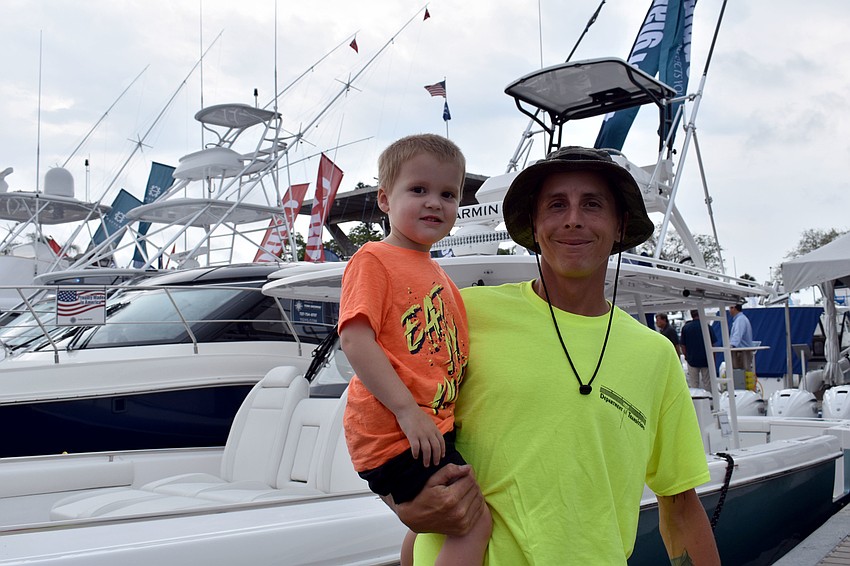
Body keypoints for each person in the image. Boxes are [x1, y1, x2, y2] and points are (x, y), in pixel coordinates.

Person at [387, 146, 720, 564]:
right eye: (556, 205)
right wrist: (398, 501)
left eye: (592, 204)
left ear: (619, 226)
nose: (574, 218)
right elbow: (377, 405)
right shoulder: (465, 312)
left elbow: (680, 505)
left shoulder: (655, 355)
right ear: (535, 224)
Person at [338, 134, 492, 566]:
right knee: (472, 522)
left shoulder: (437, 274)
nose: (434, 203)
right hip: (395, 432)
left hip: (428, 428)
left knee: (430, 525)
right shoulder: (373, 258)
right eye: (418, 190)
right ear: (385, 199)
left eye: (447, 194)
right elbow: (355, 338)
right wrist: (407, 410)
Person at [680, 309, 715, 391]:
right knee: (707, 383)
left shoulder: (686, 328)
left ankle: (696, 401)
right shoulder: (707, 327)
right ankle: (709, 401)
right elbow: (713, 345)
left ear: (692, 315)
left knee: (694, 384)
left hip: (692, 359)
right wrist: (713, 359)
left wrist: (686, 356)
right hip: (706, 359)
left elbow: (683, 345)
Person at [729, 303, 755, 372]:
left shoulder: (740, 320)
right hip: (743, 352)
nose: (729, 310)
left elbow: (737, 335)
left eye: (731, 308)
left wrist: (730, 346)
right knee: (742, 374)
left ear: (734, 308)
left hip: (741, 353)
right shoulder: (741, 319)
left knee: (740, 374)